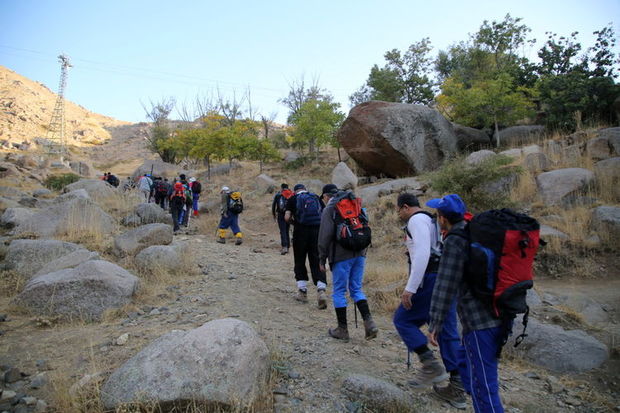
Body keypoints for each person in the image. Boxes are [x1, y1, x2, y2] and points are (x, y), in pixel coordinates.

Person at [427, 194, 504, 412]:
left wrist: (435, 323)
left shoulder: (455, 240)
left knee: (485, 388)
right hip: (496, 316)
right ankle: (458, 386)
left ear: (443, 218)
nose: (436, 218)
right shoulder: (474, 234)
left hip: (480, 323)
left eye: (437, 214)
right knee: (465, 363)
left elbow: (444, 285)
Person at [391, 193, 465, 405]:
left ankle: (430, 364)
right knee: (446, 330)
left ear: (405, 207)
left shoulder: (416, 220)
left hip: (430, 279)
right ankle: (457, 387)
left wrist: (410, 289)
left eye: (399, 210)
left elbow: (422, 254)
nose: (399, 214)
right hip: (447, 279)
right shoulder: (432, 221)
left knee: (403, 320)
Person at [318, 184, 378, 341]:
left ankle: (342, 330)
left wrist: (321, 258)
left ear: (326, 196)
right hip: (360, 252)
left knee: (339, 291)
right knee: (356, 289)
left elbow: (324, 236)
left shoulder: (330, 209)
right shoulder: (354, 202)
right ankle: (370, 323)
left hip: (341, 255)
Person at [284, 183, 327, 308]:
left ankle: (302, 291)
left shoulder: (292, 199)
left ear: (295, 191)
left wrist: (294, 223)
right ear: (305, 189)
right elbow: (324, 215)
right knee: (317, 259)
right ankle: (321, 290)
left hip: (300, 232)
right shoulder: (316, 198)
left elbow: (287, 217)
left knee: (300, 260)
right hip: (316, 232)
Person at [271, 183, 293, 255]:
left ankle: (284, 246)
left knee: (282, 230)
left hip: (281, 215)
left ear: (281, 188)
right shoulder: (291, 194)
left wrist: (274, 215)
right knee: (287, 230)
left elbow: (274, 205)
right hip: (289, 214)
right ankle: (288, 246)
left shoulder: (278, 195)